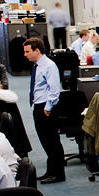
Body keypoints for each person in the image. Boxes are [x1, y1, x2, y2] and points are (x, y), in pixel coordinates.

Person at [25, 37, 66, 183]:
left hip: (47, 107)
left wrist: (48, 108)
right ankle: (51, 171)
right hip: (39, 105)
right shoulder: (37, 65)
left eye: (27, 51)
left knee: (52, 141)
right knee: (45, 141)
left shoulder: (49, 66)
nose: (25, 54)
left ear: (37, 50)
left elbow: (54, 89)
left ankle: (58, 173)